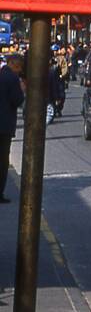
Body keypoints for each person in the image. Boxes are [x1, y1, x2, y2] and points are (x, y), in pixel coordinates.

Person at [0, 54, 25, 204]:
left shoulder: (2, 75)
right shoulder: (13, 79)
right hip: (4, 125)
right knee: (3, 160)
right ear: (15, 65)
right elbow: (17, 100)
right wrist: (22, 90)